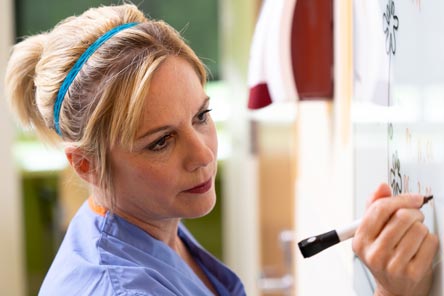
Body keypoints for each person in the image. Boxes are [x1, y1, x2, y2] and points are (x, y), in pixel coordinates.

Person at [4, 3, 438, 296]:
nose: (203, 155)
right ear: (87, 165)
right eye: (161, 142)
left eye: (201, 116)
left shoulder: (150, 220)